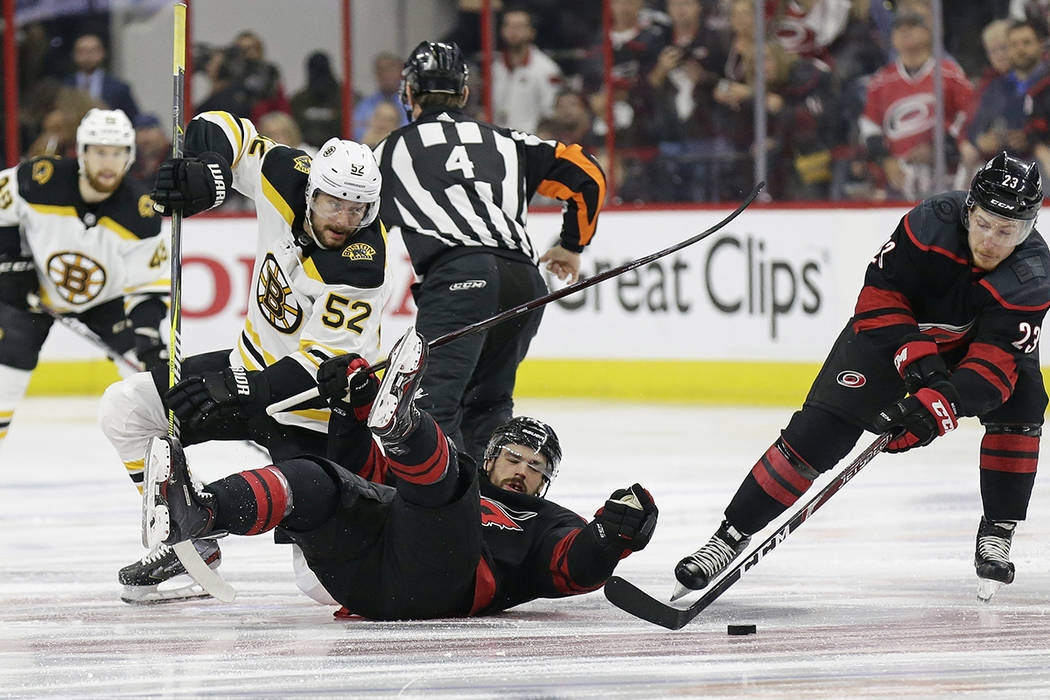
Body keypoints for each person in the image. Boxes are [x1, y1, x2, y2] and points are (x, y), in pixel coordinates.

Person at [673, 152, 1049, 603]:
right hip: (894, 338)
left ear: (1027, 229)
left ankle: (998, 528)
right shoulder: (931, 223)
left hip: (974, 351)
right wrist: (922, 368)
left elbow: (991, 370)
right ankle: (729, 535)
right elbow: (878, 298)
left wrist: (934, 411)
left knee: (1023, 402)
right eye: (984, 223)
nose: (990, 240)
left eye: (1007, 231)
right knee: (817, 434)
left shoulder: (1032, 274)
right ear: (970, 208)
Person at [140, 327, 658, 619]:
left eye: (536, 467)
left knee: (447, 480)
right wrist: (349, 407)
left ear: (547, 482)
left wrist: (612, 536)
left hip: (442, 587)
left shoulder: (549, 522)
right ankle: (201, 512)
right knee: (315, 479)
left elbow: (575, 569)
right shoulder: (462, 478)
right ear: (494, 454)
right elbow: (361, 477)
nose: (523, 472)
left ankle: (401, 422)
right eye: (514, 458)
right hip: (361, 582)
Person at [98, 110, 390, 603]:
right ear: (311, 191)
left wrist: (233, 386)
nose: (344, 219)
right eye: (334, 203)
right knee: (125, 408)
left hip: (311, 414)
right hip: (246, 368)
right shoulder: (286, 174)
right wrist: (209, 172)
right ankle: (193, 546)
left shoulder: (360, 265)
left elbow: (319, 365)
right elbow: (223, 126)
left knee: (323, 587)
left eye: (357, 209)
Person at [374, 41, 606, 463]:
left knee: (431, 410)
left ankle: (443, 521)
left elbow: (355, 225)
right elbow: (588, 172)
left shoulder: (389, 151)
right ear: (464, 94)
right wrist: (572, 245)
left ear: (408, 95)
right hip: (524, 283)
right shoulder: (508, 141)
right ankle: (493, 516)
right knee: (488, 408)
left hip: (458, 279)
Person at [0, 108, 167, 450]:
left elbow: (149, 284)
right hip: (33, 290)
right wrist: (11, 261)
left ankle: (164, 468)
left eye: (118, 153)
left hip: (108, 300)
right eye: (100, 152)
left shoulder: (141, 212)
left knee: (145, 379)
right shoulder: (40, 178)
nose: (109, 163)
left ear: (129, 157)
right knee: (5, 380)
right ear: (82, 152)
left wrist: (149, 338)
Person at [859, 13, 974, 199]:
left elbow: (968, 116)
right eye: (899, 28)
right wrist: (886, 160)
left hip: (945, 173)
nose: (905, 31)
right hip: (899, 176)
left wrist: (940, 149)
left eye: (912, 25)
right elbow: (870, 126)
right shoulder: (880, 81)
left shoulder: (950, 75)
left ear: (928, 34)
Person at [491, 6, 563, 133]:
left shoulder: (547, 69)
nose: (513, 31)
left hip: (530, 142)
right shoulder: (494, 67)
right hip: (497, 140)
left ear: (532, 32)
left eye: (519, 26)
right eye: (509, 26)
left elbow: (551, 113)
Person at [65, 33, 139, 122]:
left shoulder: (118, 88)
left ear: (102, 53)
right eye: (82, 51)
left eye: (92, 51)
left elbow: (133, 118)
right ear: (74, 55)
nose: (87, 56)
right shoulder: (65, 86)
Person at [352, 52, 409, 142]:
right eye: (381, 70)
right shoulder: (365, 105)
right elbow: (355, 131)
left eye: (390, 69)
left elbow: (411, 131)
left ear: (401, 72)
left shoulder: (410, 104)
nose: (386, 75)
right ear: (376, 74)